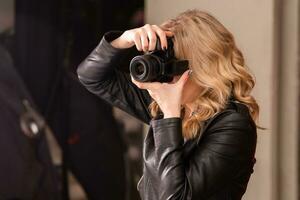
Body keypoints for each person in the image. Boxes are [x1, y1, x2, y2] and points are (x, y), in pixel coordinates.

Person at [77, 9, 259, 200]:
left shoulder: (234, 124)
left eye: (174, 65)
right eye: (163, 63)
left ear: (203, 67)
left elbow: (174, 197)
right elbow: (90, 76)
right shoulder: (172, 106)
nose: (166, 78)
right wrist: (124, 39)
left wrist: (170, 113)